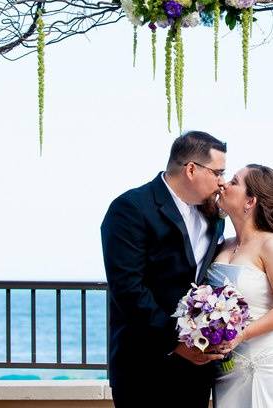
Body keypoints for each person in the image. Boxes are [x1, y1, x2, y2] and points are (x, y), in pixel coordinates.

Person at [100, 131, 228, 408]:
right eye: (218, 172)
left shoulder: (213, 216)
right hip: (144, 364)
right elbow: (128, 289)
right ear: (192, 169)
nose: (222, 182)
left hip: (196, 366)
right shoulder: (130, 208)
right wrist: (177, 342)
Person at [206, 164, 273, 407]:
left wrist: (242, 334)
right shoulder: (224, 244)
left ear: (250, 201)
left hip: (269, 363)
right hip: (228, 365)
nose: (223, 184)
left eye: (234, 182)